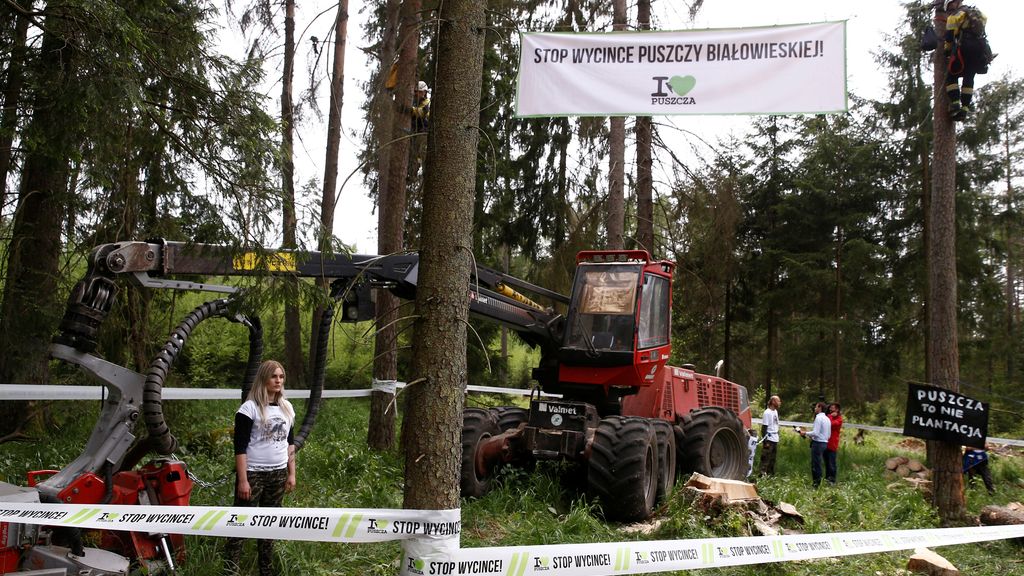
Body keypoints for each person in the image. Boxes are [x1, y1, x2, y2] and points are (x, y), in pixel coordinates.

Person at [224, 360, 297, 576]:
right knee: (240, 523)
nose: (278, 381)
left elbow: (290, 443)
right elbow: (240, 447)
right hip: (253, 473)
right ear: (264, 378)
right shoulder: (249, 409)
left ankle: (266, 569)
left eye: (281, 377)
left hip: (278, 473)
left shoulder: (287, 408)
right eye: (274, 376)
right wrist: (243, 479)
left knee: (269, 523)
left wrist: (291, 473)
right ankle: (231, 569)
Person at [943, 0, 991, 120]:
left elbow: (949, 37)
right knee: (969, 77)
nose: (949, 10)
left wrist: (947, 52)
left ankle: (955, 103)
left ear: (954, 3)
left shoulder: (955, 16)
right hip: (980, 48)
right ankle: (965, 108)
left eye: (949, 7)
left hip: (965, 46)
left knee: (951, 75)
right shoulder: (978, 14)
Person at [798, 402, 831, 488]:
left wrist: (805, 433)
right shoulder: (827, 419)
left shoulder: (818, 418)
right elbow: (828, 434)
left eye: (816, 407)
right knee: (819, 463)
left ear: (820, 407)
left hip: (818, 444)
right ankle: (819, 482)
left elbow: (816, 433)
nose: (815, 408)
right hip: (825, 443)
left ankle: (816, 484)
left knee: (816, 464)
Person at [758, 395, 781, 476]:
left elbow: (776, 424)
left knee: (772, 460)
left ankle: (770, 476)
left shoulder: (775, 412)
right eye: (778, 401)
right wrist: (765, 441)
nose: (780, 403)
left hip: (775, 439)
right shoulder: (767, 412)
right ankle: (761, 476)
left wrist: (778, 434)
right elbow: (764, 428)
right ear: (773, 402)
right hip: (769, 439)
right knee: (765, 459)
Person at [824, 403, 843, 484]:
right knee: (826, 463)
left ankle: (832, 480)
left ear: (837, 410)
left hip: (832, 444)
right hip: (825, 443)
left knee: (832, 464)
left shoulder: (839, 419)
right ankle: (827, 478)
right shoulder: (828, 416)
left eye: (833, 408)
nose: (831, 410)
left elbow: (830, 424)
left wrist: (830, 416)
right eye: (830, 408)